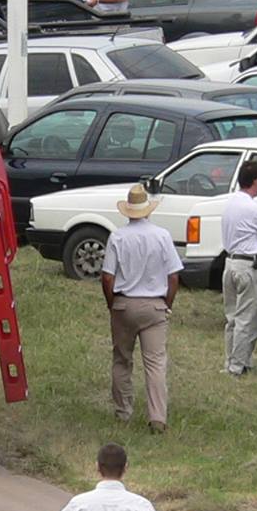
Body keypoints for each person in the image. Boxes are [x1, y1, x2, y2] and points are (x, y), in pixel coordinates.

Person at [102, 182, 180, 432]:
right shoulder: (162, 236)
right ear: (148, 210)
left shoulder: (117, 237)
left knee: (122, 359)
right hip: (155, 305)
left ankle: (123, 411)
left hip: (124, 303)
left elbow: (107, 276)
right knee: (156, 363)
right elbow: (173, 275)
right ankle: (158, 417)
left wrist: (112, 304)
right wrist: (166, 303)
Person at [221, 159, 257, 376]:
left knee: (233, 317)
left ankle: (232, 360)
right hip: (250, 266)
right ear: (256, 181)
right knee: (249, 319)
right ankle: (238, 366)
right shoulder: (254, 209)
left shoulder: (230, 204)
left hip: (231, 262)